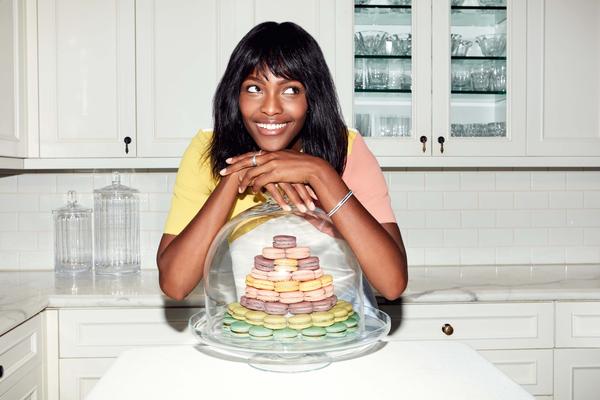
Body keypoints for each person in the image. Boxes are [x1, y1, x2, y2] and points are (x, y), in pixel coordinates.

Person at [157, 21, 407, 302]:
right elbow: (175, 284)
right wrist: (235, 174)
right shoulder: (208, 150)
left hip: (343, 327)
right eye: (254, 88)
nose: (271, 108)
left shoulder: (347, 148)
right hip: (251, 326)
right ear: (235, 95)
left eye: (290, 90)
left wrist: (319, 173)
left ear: (312, 97)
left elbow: (392, 283)